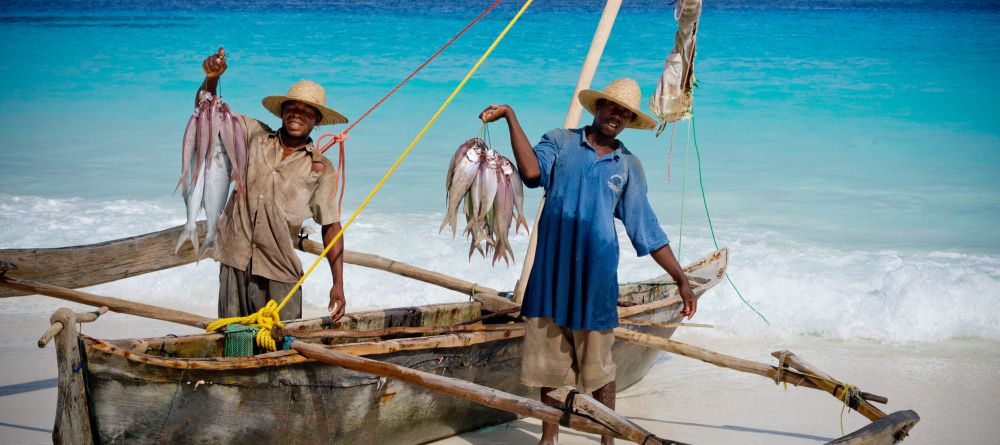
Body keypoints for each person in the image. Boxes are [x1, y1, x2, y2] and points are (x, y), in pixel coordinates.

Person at [479, 78, 697, 445]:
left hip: (596, 281)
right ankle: (549, 438)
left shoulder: (627, 165)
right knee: (549, 367)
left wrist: (681, 278)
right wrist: (510, 118)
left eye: (625, 113)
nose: (617, 116)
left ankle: (606, 438)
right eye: (612, 107)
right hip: (550, 277)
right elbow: (531, 175)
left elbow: (645, 228)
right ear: (598, 108)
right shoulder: (560, 142)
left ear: (628, 121)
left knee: (600, 370)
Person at [197, 47, 347, 322]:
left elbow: (331, 225)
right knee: (234, 344)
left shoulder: (321, 167)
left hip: (280, 270)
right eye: (292, 109)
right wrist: (212, 79)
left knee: (279, 349)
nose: (297, 115)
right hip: (235, 258)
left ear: (316, 120)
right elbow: (207, 112)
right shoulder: (254, 135)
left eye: (306, 111)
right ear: (282, 112)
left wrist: (338, 284)